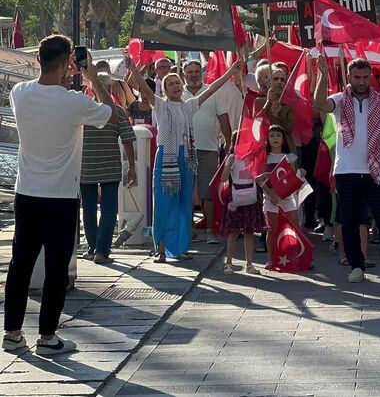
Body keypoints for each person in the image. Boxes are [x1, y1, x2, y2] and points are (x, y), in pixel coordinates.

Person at [3, 35, 117, 355]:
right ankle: (47, 338)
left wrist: (67, 77)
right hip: (61, 198)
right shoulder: (73, 102)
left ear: (38, 59)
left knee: (20, 265)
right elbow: (110, 113)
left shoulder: (19, 93)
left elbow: (43, 94)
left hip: (26, 193)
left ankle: (12, 333)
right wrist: (92, 76)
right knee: (56, 269)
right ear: (69, 63)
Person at [127, 53, 241, 263]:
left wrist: (231, 73)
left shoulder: (189, 105)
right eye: (170, 84)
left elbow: (213, 88)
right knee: (164, 203)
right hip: (167, 158)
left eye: (177, 83)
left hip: (186, 158)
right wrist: (135, 70)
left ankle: (179, 247)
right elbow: (144, 87)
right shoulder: (160, 105)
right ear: (164, 89)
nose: (175, 87)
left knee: (183, 204)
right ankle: (161, 249)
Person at [314, 57, 380, 284]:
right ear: (350, 77)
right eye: (357, 77)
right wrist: (323, 75)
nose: (362, 81)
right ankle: (356, 266)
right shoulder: (339, 100)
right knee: (349, 221)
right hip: (346, 171)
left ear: (370, 77)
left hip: (377, 171)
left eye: (365, 77)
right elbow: (320, 104)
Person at [80, 73, 138, 264]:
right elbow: (128, 139)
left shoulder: (83, 110)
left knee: (88, 210)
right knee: (109, 210)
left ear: (91, 88)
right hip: (110, 166)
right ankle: (101, 251)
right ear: (110, 89)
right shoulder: (117, 111)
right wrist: (131, 166)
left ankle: (92, 248)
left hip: (85, 167)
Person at [182, 59, 233, 245]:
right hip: (184, 150)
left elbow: (224, 118)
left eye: (197, 71)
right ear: (184, 73)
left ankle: (210, 230)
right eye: (190, 71)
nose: (194, 74)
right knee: (185, 191)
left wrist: (228, 142)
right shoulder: (177, 92)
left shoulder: (213, 92)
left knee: (207, 193)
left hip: (209, 148)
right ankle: (188, 230)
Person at [220, 131, 267, 275]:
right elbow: (223, 178)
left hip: (251, 197)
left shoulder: (252, 158)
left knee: (249, 232)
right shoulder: (233, 158)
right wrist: (229, 165)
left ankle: (249, 263)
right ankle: (228, 263)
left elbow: (254, 178)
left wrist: (262, 177)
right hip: (236, 198)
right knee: (233, 232)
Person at [259, 125, 303, 269]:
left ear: (283, 138)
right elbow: (260, 180)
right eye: (271, 136)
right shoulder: (264, 157)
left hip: (288, 198)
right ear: (267, 139)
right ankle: (271, 259)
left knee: (294, 229)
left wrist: (300, 174)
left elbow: (293, 178)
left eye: (278, 135)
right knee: (272, 230)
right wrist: (271, 194)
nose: (275, 139)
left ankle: (296, 257)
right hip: (271, 199)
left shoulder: (290, 157)